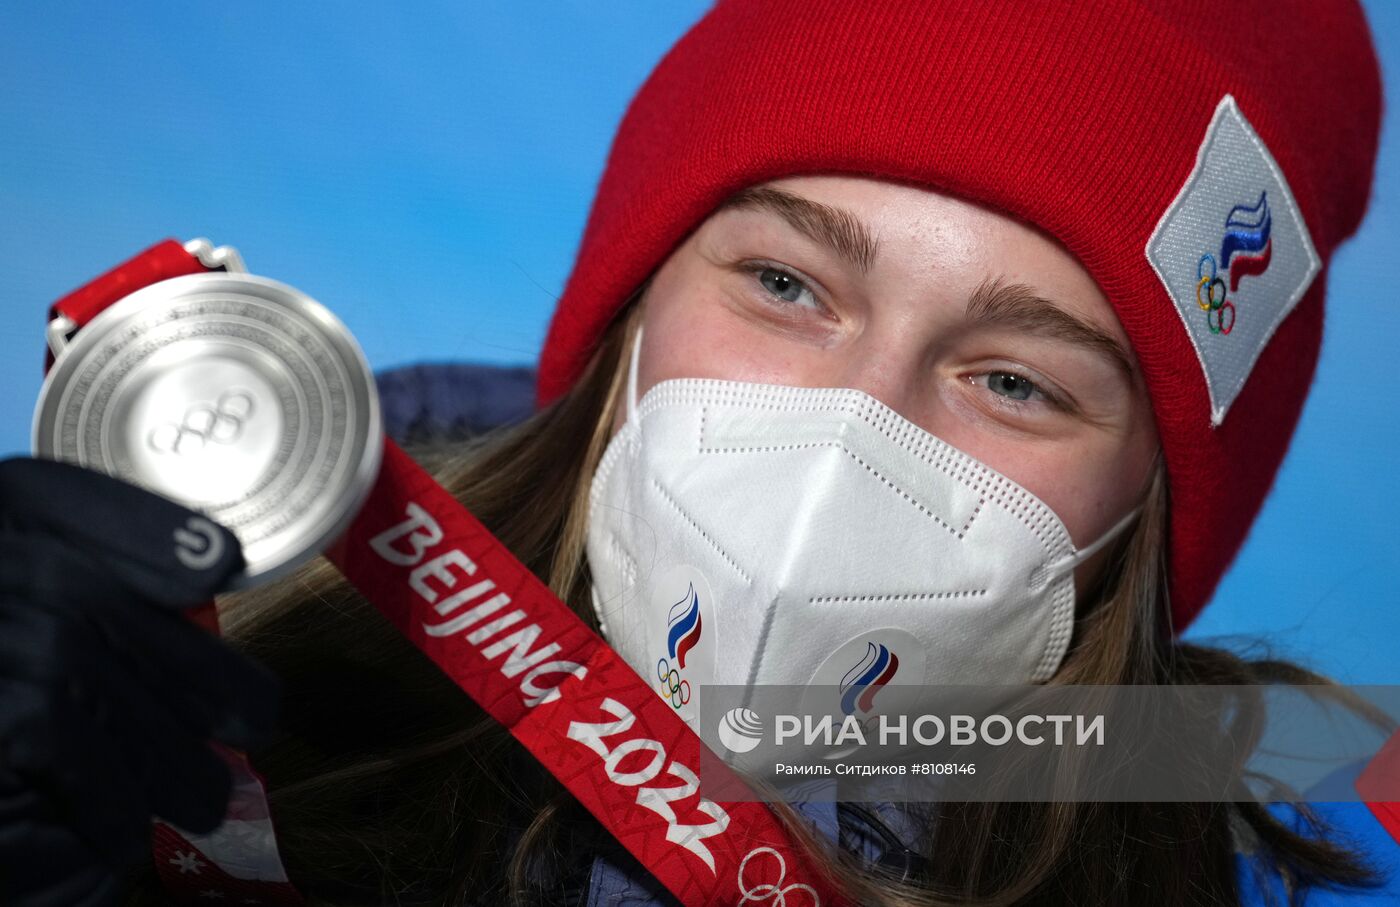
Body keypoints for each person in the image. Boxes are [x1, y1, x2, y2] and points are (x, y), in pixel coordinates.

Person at [0, 1, 1394, 905]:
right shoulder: (229, 695)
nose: (857, 430)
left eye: (1016, 380)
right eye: (789, 286)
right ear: (635, 302)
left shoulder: (1292, 860)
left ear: (1145, 510)